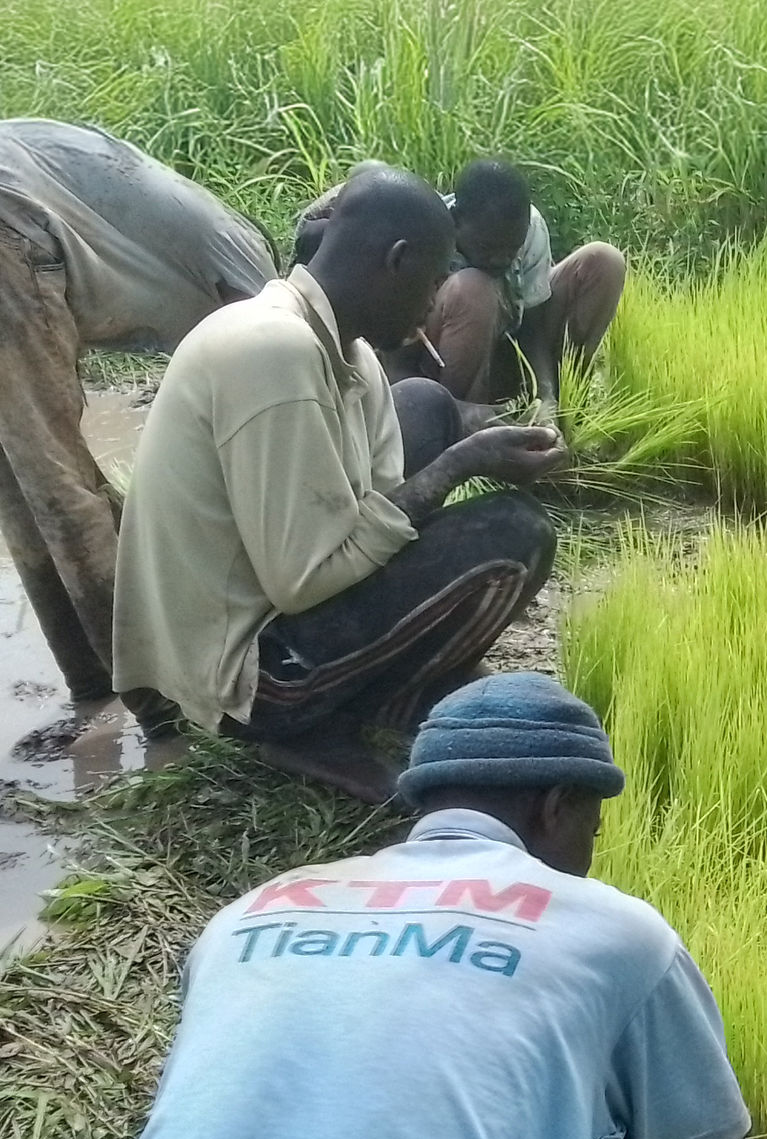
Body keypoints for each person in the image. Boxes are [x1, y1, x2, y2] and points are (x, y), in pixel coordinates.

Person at [106, 672, 767, 1139]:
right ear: (556, 805)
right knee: (631, 1128)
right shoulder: (618, 935)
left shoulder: (246, 915)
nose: (589, 858)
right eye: (593, 828)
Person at [112, 168, 568, 804]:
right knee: (516, 532)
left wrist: (454, 460)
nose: (438, 303)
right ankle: (323, 719)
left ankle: (394, 685)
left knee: (426, 403)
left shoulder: (349, 354)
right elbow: (302, 581)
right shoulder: (270, 349)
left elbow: (371, 516)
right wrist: (457, 466)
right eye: (436, 280)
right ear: (397, 261)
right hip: (249, 676)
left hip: (272, 602)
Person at [0, 118, 275, 723]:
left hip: (21, 218)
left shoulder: (219, 242)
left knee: (22, 475)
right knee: (56, 485)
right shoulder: (258, 293)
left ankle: (91, 679)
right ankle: (157, 703)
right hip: (11, 233)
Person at [297, 158, 626, 414]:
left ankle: (565, 407)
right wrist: (458, 412)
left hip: (508, 350)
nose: (502, 261)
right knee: (475, 289)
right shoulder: (425, 241)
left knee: (603, 261)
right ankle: (460, 422)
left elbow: (534, 324)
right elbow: (396, 353)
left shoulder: (527, 229)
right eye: (489, 249)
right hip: (439, 366)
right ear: (457, 222)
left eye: (512, 250)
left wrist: (547, 396)